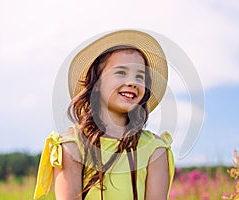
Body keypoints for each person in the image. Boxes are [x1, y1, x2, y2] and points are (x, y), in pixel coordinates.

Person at [34, 29, 175, 200]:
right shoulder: (72, 146)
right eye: (121, 72)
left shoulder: (155, 150)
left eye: (140, 76)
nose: (132, 82)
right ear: (97, 83)